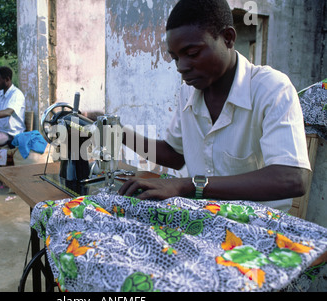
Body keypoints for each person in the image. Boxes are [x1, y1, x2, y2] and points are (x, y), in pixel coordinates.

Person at [118, 0, 311, 212]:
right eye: (175, 58)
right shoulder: (188, 92)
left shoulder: (271, 88)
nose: (181, 67)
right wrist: (115, 132)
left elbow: (292, 178)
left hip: (257, 226)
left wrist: (189, 185)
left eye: (192, 54)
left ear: (228, 38)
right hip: (202, 219)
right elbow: (174, 154)